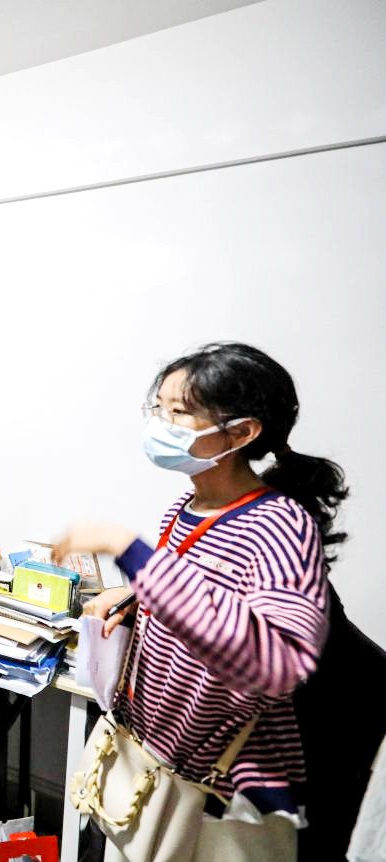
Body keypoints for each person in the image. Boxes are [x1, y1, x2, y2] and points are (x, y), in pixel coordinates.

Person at [53, 342, 346, 858]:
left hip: (223, 794)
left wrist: (131, 550)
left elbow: (278, 662)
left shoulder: (279, 524)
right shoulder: (185, 509)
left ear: (242, 432)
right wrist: (138, 597)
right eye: (158, 409)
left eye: (179, 413)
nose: (160, 424)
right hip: (155, 760)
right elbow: (203, 599)